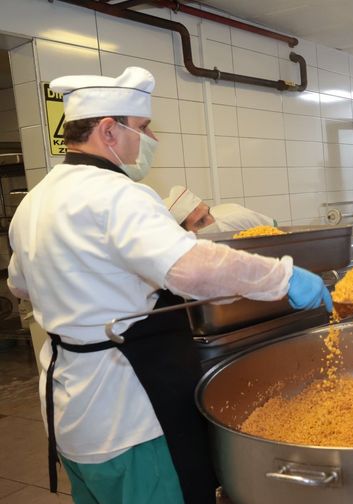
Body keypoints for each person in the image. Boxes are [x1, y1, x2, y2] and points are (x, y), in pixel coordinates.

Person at [6, 67, 332, 504]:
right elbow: (192, 269)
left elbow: (21, 286)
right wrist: (284, 277)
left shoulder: (36, 199)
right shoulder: (115, 194)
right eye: (141, 128)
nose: (147, 138)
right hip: (130, 415)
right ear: (108, 130)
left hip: (72, 412)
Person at [163, 185, 277, 234]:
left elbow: (275, 231)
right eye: (201, 222)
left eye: (208, 212)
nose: (211, 222)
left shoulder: (237, 218)